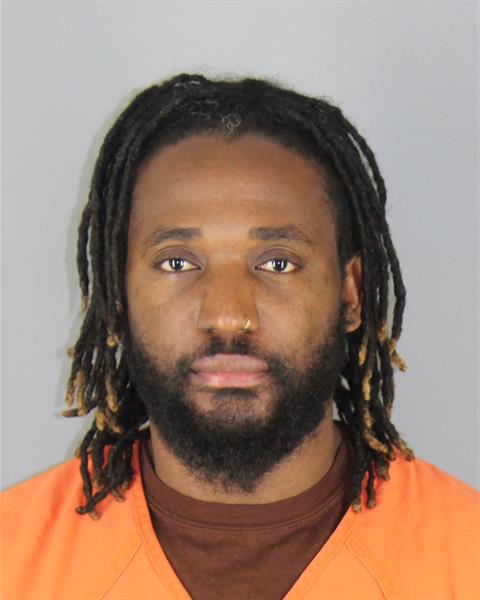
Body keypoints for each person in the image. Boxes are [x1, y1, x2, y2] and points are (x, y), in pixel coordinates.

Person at [1, 74, 476, 600]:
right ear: (117, 298)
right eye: (177, 263)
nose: (228, 317)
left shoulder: (466, 553)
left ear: (350, 294)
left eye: (277, 263)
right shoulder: (11, 559)